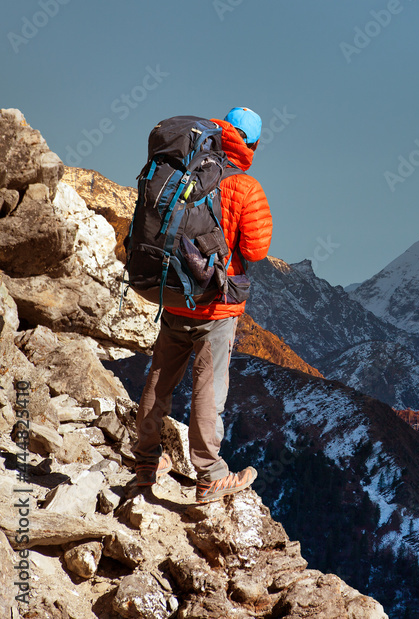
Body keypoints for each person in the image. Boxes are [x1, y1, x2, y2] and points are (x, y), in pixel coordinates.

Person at [132, 107, 273, 504]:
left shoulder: (184, 173)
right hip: (214, 308)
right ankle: (209, 475)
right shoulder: (245, 187)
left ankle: (144, 464)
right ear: (254, 145)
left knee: (158, 382)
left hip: (174, 295)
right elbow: (256, 250)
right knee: (208, 393)